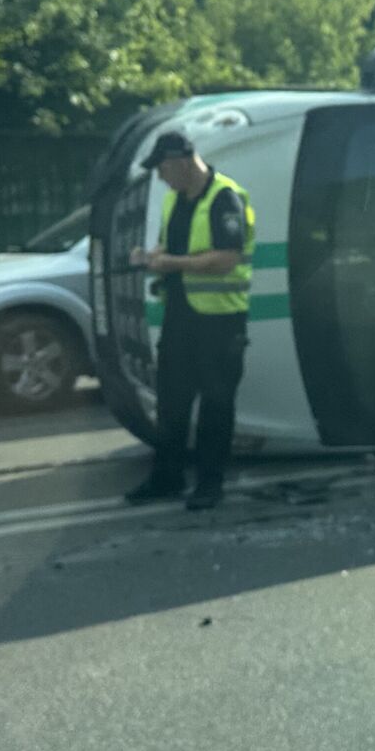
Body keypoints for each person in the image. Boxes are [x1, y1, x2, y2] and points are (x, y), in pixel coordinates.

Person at [123, 131, 255, 510]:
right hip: (180, 315)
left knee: (216, 403)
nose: (161, 177)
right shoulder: (173, 200)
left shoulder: (224, 197)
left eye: (163, 169)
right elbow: (171, 246)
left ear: (181, 162)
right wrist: (150, 257)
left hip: (220, 321)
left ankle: (210, 485)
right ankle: (168, 476)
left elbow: (227, 257)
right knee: (172, 402)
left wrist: (173, 263)